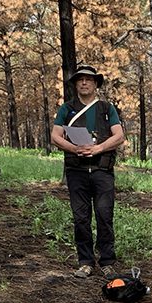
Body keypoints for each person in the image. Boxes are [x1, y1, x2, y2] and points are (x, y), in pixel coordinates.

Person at [50, 66, 126, 278]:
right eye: (80, 80)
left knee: (104, 215)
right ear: (75, 84)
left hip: (102, 170)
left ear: (95, 84)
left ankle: (107, 261)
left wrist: (98, 148)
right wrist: (74, 148)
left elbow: (119, 136)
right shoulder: (67, 109)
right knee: (81, 217)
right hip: (77, 170)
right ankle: (85, 261)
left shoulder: (106, 108)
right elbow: (55, 136)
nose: (84, 83)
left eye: (88, 80)